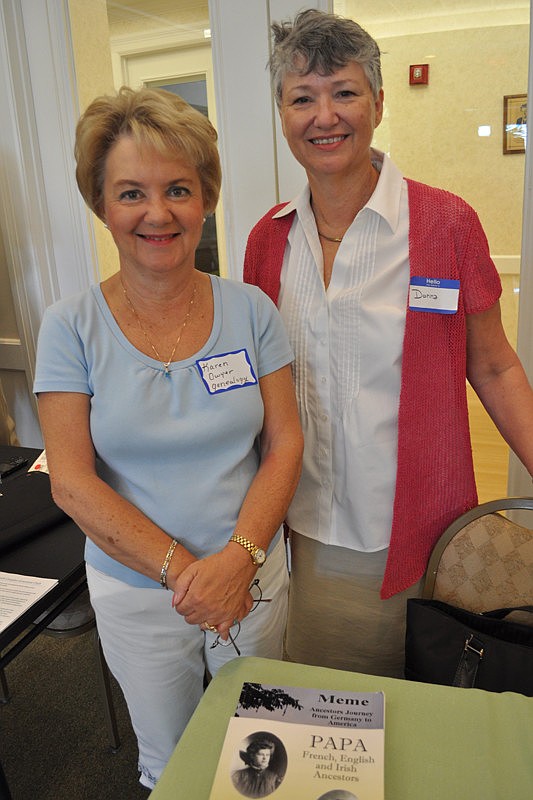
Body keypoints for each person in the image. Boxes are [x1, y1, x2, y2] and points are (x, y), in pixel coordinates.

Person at [243, 10, 533, 678]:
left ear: (378, 101)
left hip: (415, 531)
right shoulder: (268, 240)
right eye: (301, 97)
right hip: (300, 534)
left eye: (343, 92)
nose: (325, 116)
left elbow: (492, 365)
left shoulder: (444, 223)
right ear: (282, 113)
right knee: (322, 710)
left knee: (416, 697)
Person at [33, 86, 303, 790]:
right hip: (139, 592)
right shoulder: (70, 327)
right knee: (173, 761)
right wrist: (191, 576)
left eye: (178, 188)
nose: (158, 213)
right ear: (101, 205)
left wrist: (238, 562)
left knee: (260, 744)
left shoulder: (250, 309)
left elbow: (283, 444)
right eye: (131, 193)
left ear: (205, 197)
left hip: (252, 577)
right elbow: (72, 481)